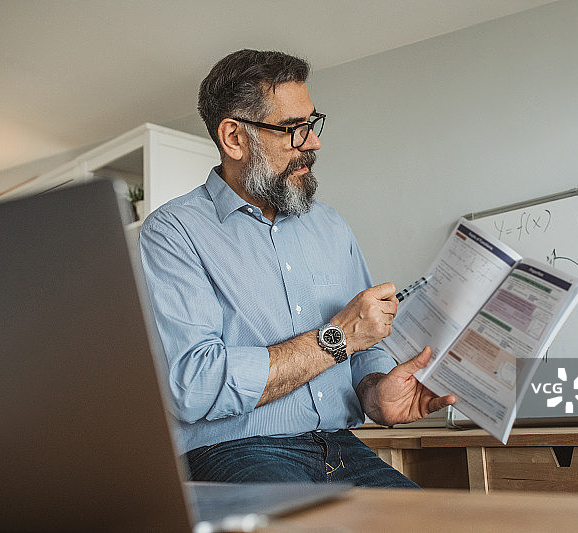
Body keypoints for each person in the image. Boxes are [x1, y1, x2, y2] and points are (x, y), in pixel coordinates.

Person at [138, 49, 455, 488]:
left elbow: (366, 344)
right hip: (236, 451)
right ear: (234, 137)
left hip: (342, 447)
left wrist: (377, 393)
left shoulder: (329, 224)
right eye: (292, 129)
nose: (313, 142)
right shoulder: (173, 232)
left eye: (311, 123)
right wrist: (337, 337)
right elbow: (195, 386)